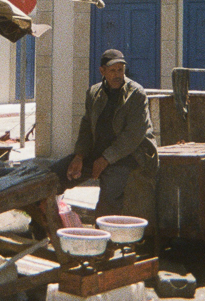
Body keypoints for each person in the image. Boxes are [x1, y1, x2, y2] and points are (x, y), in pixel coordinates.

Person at [50, 49, 159, 219]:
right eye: (113, 71)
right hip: (99, 153)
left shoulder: (136, 94)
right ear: (102, 71)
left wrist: (106, 159)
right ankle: (44, 224)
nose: (118, 75)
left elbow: (133, 135)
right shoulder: (94, 93)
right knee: (56, 173)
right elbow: (86, 126)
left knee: (110, 194)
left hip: (130, 155)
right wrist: (79, 156)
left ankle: (104, 240)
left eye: (120, 70)